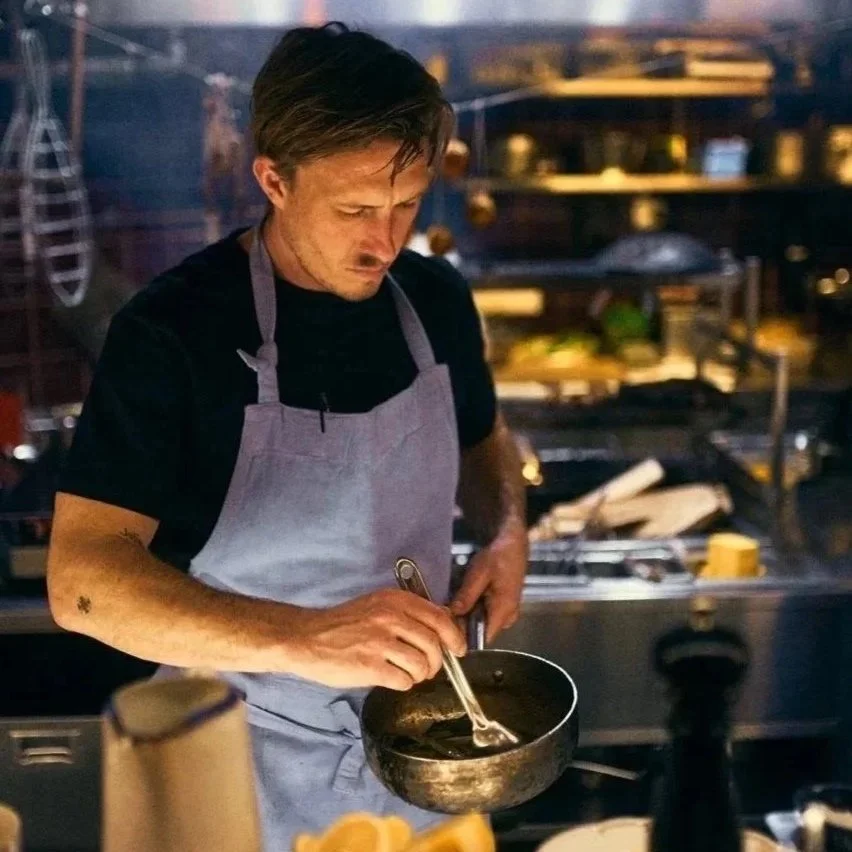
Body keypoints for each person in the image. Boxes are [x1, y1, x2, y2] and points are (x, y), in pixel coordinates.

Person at [47, 22, 527, 849]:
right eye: (354, 210)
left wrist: (506, 529)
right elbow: (81, 582)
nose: (385, 241)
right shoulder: (174, 331)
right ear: (274, 179)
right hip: (242, 773)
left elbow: (486, 440)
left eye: (406, 205)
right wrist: (303, 637)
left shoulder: (436, 299)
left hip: (426, 759)